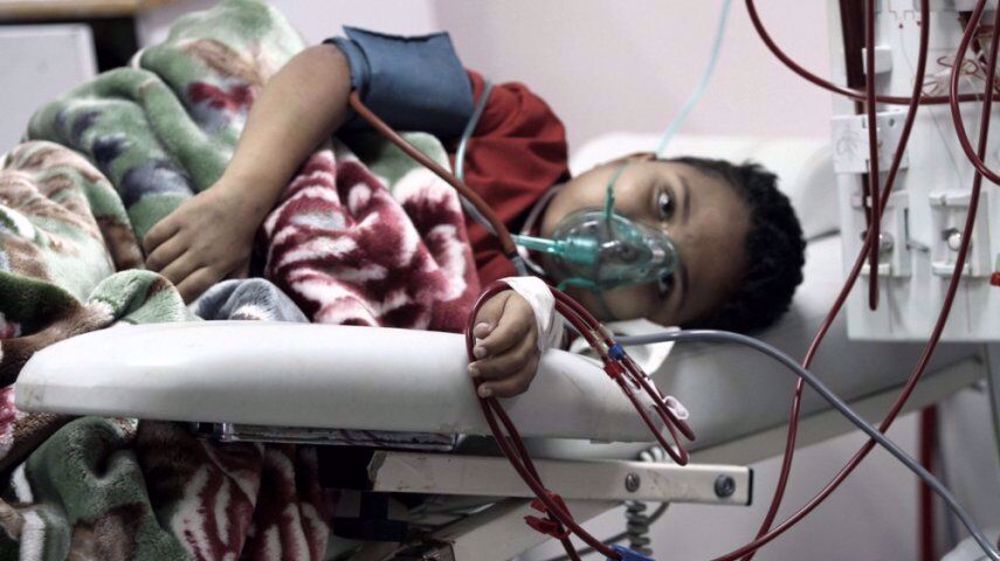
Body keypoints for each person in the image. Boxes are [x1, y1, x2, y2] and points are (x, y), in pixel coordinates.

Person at [142, 29, 805, 399]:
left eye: (665, 279)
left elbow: (479, 337)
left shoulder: (558, 355)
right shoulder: (521, 130)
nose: (634, 241)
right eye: (663, 202)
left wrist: (525, 329)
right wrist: (238, 200)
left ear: (653, 322)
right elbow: (337, 68)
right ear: (635, 156)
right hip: (231, 190)